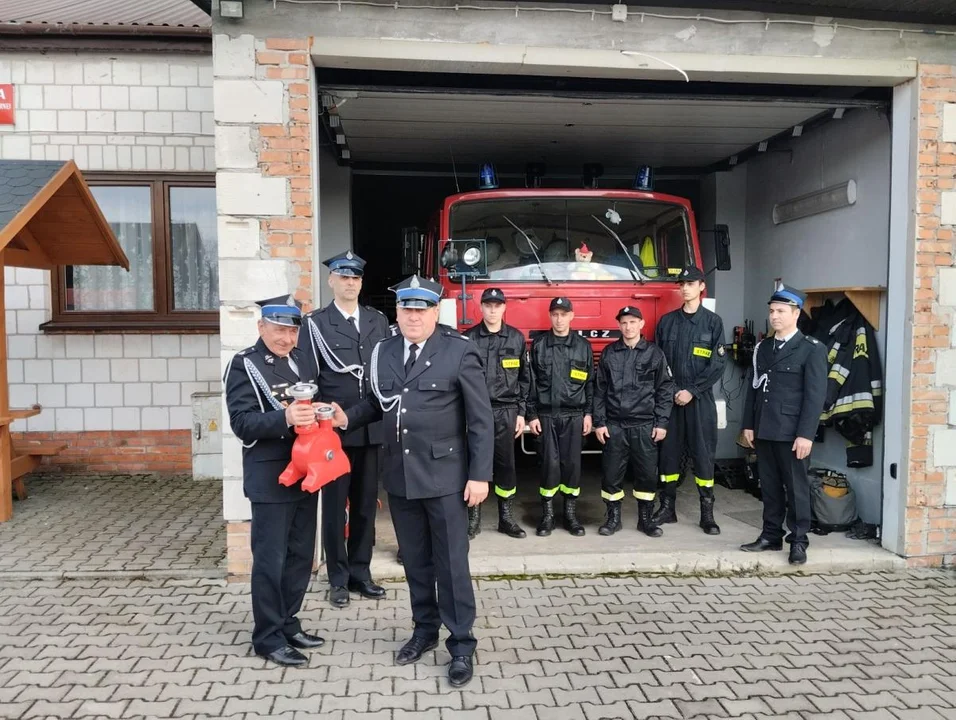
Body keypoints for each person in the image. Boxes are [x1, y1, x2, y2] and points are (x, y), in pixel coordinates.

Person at [331, 274, 493, 688]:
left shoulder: (458, 350)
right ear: (398, 311)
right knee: (417, 562)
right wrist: (346, 418)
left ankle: (461, 644)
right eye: (406, 309)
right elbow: (376, 402)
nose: (413, 317)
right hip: (401, 477)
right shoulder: (384, 350)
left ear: (436, 312)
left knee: (451, 565)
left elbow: (480, 420)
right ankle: (425, 630)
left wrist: (479, 476)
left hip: (446, 478)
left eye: (421, 309)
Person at [224, 295, 326, 667]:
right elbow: (242, 423)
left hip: (306, 473)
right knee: (271, 560)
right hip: (271, 477)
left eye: (292, 331)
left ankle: (288, 622)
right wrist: (285, 419)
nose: (286, 338)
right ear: (261, 327)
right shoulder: (245, 364)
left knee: (300, 555)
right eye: (279, 330)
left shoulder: (303, 359)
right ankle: (267, 637)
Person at [300, 250, 389, 609]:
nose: (350, 283)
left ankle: (360, 573)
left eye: (355, 277)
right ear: (331, 281)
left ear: (361, 282)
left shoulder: (377, 321)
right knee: (336, 508)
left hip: (369, 428)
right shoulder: (315, 324)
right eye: (343, 277)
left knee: (366, 504)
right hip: (333, 433)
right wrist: (323, 422)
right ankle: (337, 577)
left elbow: (384, 373)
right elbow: (309, 379)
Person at [741, 283, 828, 565]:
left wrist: (806, 435)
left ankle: (799, 540)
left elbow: (815, 396)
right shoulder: (764, 347)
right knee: (769, 486)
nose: (774, 316)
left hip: (792, 433)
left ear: (796, 313)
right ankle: (771, 535)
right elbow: (753, 388)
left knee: (796, 488)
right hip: (765, 428)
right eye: (771, 311)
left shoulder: (811, 349)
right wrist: (748, 424)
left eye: (780, 311)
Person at [653, 266, 727, 535]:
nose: (685, 288)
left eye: (690, 283)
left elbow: (718, 364)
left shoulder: (713, 322)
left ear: (701, 286)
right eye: (682, 283)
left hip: (699, 400)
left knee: (703, 455)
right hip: (671, 400)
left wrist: (692, 391)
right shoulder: (667, 322)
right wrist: (673, 390)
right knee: (668, 455)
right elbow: (658, 361)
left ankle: (707, 514)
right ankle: (667, 508)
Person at [593, 306, 675, 537]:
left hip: (644, 426)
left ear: (641, 324)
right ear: (619, 326)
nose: (628, 327)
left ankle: (645, 520)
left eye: (632, 322)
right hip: (615, 426)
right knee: (611, 475)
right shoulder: (609, 353)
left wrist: (661, 423)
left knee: (647, 475)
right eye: (624, 323)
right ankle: (613, 519)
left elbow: (665, 389)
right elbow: (599, 390)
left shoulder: (654, 354)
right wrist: (600, 422)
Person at [463, 287, 531, 539]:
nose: (492, 310)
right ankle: (473, 519)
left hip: (506, 411)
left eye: (497, 305)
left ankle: (506, 518)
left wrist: (521, 412)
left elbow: (525, 378)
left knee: (505, 465)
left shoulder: (516, 338)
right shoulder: (468, 339)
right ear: (481, 307)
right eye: (488, 305)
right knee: (474, 462)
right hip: (476, 411)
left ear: (504, 307)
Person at [526, 297, 593, 537]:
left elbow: (590, 383)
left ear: (571, 316)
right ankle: (548, 516)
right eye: (555, 314)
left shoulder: (583, 346)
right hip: (546, 415)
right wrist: (532, 414)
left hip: (574, 415)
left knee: (572, 466)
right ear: (550, 316)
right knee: (549, 466)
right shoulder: (539, 345)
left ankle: (570, 516)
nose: (559, 319)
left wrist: (589, 413)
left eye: (563, 314)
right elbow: (530, 382)